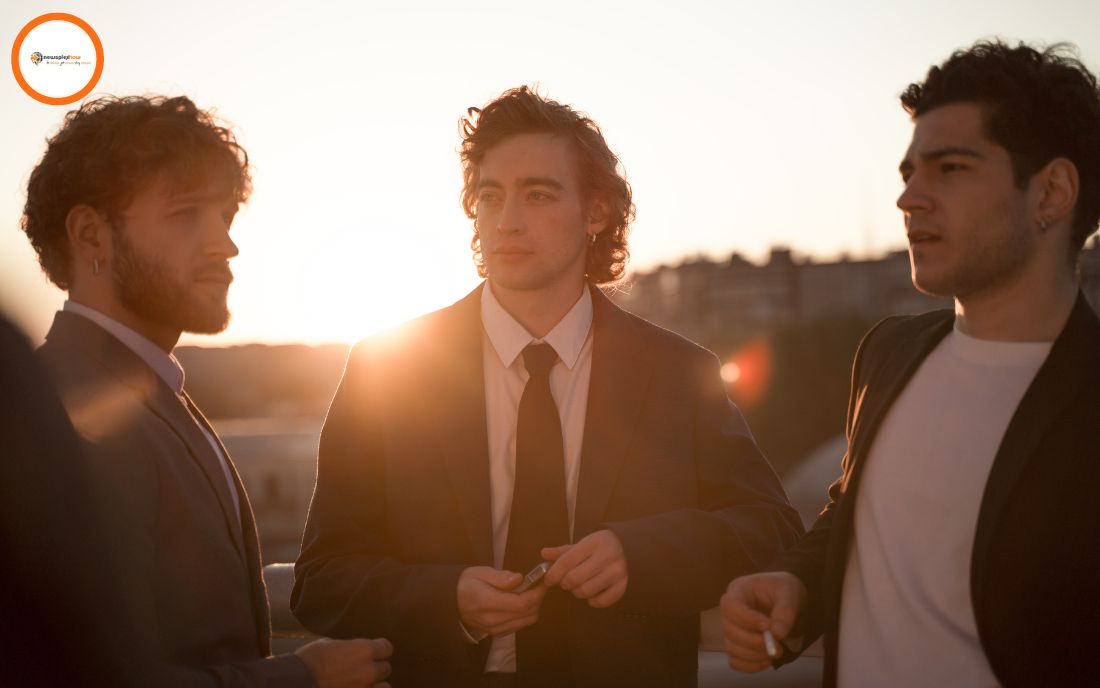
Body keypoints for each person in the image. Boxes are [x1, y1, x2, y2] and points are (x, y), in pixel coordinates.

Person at [290, 85, 803, 688]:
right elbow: (320, 580)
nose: (507, 221)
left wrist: (641, 555)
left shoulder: (676, 371)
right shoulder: (389, 368)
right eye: (490, 195)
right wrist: (445, 597)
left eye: (537, 195)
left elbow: (769, 527)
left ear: (597, 213)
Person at [720, 41, 1100, 687]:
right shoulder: (888, 352)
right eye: (907, 173)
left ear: (1052, 193)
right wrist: (795, 585)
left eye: (949, 168)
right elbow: (853, 512)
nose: (910, 199)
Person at [23, 95, 393, 688]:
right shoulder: (69, 412)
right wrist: (301, 677)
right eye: (187, 213)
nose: (226, 244)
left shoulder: (141, 389)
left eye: (225, 216)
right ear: (91, 234)